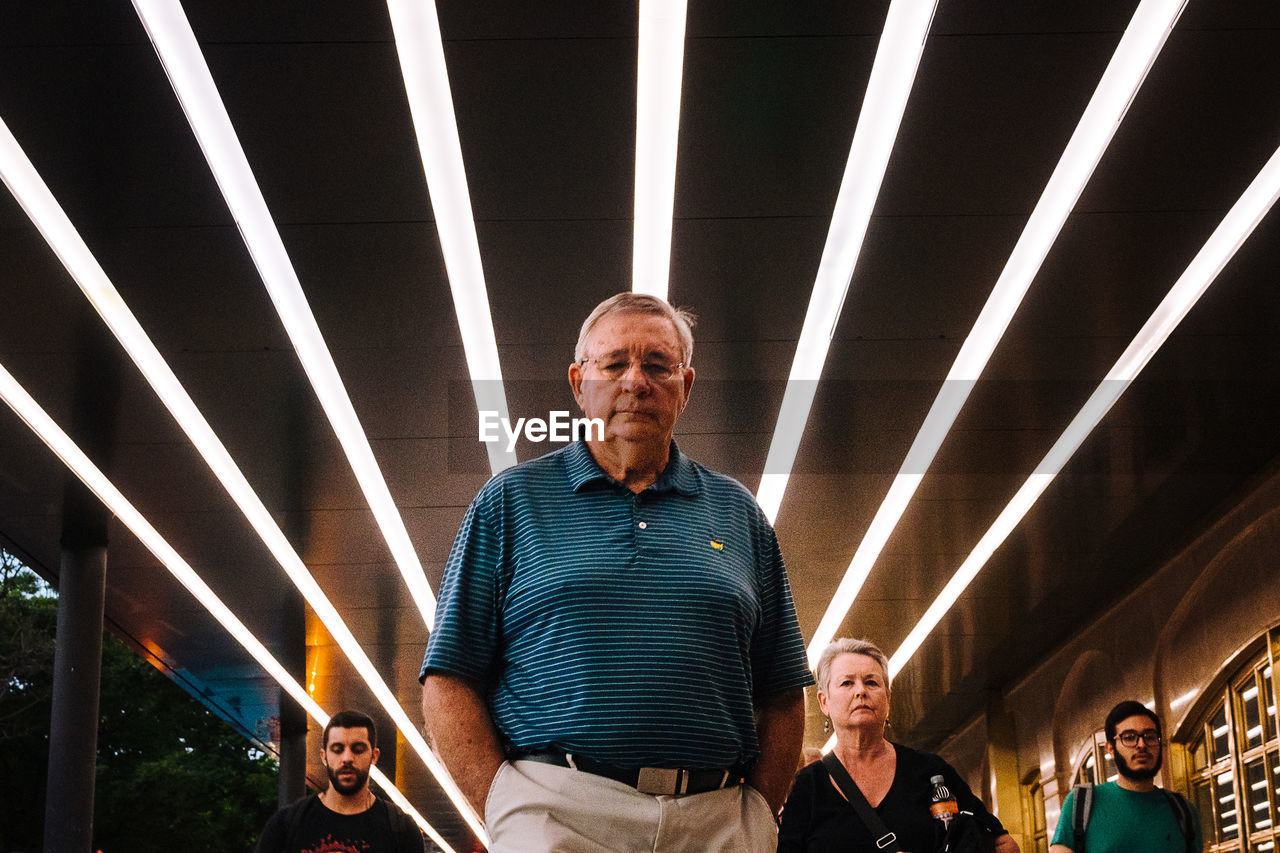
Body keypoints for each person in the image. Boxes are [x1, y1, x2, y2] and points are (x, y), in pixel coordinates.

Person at [420, 292, 813, 852]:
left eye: (658, 365)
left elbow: (781, 690)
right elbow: (449, 676)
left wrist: (759, 815)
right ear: (580, 384)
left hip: (718, 822)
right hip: (557, 816)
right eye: (615, 365)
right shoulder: (511, 502)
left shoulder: (739, 512)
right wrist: (506, 808)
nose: (636, 382)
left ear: (686, 386)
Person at [778, 638, 1020, 852]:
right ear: (824, 702)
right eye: (847, 683)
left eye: (871, 682)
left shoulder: (929, 772)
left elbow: (1005, 846)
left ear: (888, 698)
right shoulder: (808, 787)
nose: (861, 691)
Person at [254, 709, 425, 853]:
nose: (347, 758)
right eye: (337, 749)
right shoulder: (286, 826)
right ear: (324, 756)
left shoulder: (402, 830)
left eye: (358, 750)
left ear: (374, 756)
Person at [1050, 700, 1203, 853]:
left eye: (1150, 737)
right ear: (1110, 748)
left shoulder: (1184, 811)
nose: (1142, 744)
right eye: (1129, 737)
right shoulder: (1081, 804)